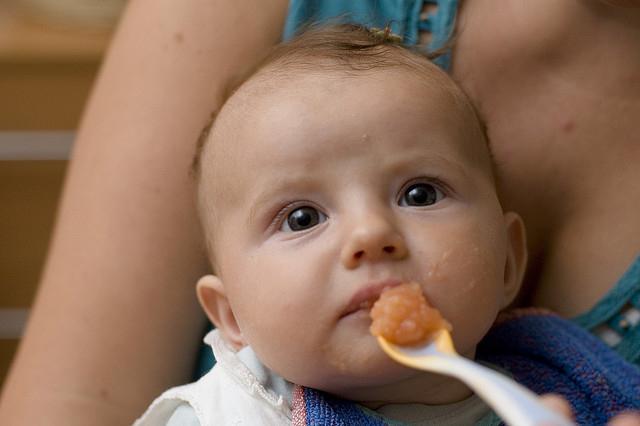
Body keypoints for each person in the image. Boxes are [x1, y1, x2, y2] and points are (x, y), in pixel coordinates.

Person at [1, 1, 638, 425]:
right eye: (302, 218)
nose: (371, 236)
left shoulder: (561, 379)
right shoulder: (230, 412)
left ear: (509, 263)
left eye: (419, 194)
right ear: (231, 317)